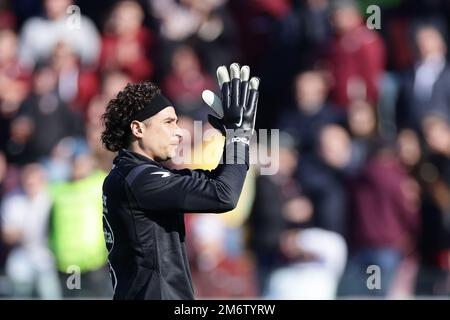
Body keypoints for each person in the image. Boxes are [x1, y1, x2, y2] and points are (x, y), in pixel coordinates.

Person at [100, 63, 259, 300]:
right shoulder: (140, 180)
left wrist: (234, 137)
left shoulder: (133, 174)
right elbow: (223, 195)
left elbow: (218, 182)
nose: (178, 132)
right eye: (168, 122)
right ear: (138, 129)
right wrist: (239, 137)